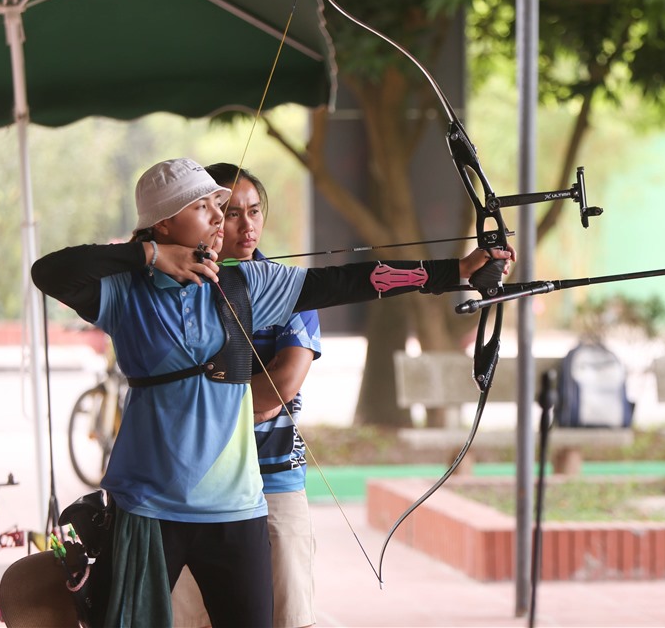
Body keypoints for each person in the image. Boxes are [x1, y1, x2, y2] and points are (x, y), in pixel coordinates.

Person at [31, 157, 514, 628]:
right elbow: (48, 272)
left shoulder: (244, 283)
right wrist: (149, 256)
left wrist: (458, 272)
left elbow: (346, 281)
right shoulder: (123, 294)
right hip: (148, 508)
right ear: (163, 222)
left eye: (223, 206)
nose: (221, 217)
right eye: (206, 207)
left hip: (236, 508)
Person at [171, 163, 321, 628]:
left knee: (287, 618)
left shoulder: (287, 289)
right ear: (204, 217)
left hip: (273, 483)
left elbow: (281, 386)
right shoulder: (171, 291)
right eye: (229, 212)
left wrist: (200, 401)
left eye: (254, 211)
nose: (245, 224)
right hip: (193, 493)